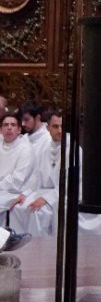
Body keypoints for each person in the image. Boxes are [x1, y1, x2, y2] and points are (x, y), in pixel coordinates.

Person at [8, 101, 55, 236]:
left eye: (27, 120)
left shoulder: (47, 140)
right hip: (26, 188)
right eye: (21, 120)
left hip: (44, 190)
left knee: (29, 208)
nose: (23, 124)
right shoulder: (24, 139)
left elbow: (39, 175)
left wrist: (26, 193)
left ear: (38, 118)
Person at [0, 110, 34, 232]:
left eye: (13, 125)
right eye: (5, 125)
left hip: (15, 192)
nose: (9, 128)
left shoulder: (25, 149)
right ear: (1, 130)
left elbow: (16, 180)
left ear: (19, 130)